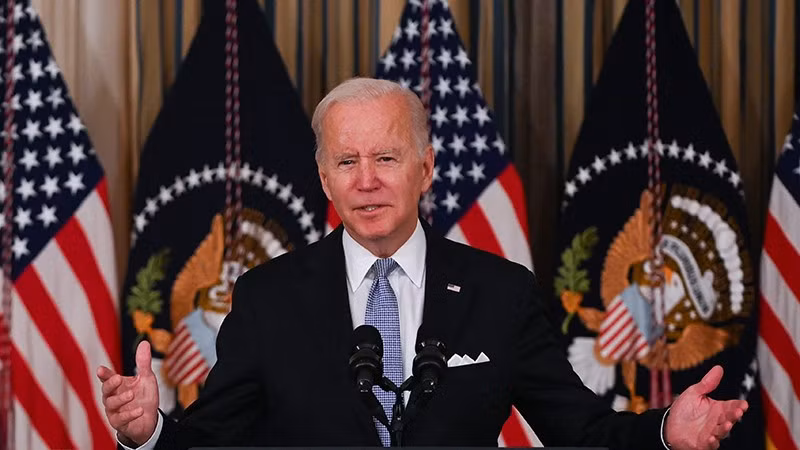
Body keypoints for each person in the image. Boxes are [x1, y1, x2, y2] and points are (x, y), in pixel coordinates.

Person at [97, 78, 747, 449]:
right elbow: (210, 443)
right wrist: (148, 429)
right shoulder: (267, 299)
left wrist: (666, 431)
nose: (367, 181)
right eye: (347, 163)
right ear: (324, 179)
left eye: (386, 158)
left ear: (426, 168)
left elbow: (581, 431)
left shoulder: (500, 293)